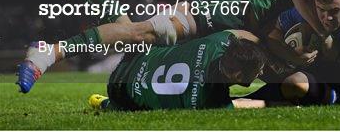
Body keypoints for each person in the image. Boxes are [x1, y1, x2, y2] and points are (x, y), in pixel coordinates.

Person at [18, 0, 340, 93]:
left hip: (238, 24)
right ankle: (51, 53)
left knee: (137, 40)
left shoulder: (332, 16)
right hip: (227, 8)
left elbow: (271, 37)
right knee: (142, 33)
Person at [87, 31, 267, 110]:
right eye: (258, 70)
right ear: (236, 75)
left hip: (134, 56)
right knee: (135, 108)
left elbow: (238, 33)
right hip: (119, 94)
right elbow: (241, 104)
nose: (260, 73)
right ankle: (107, 104)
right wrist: (272, 102)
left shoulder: (218, 41)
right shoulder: (211, 100)